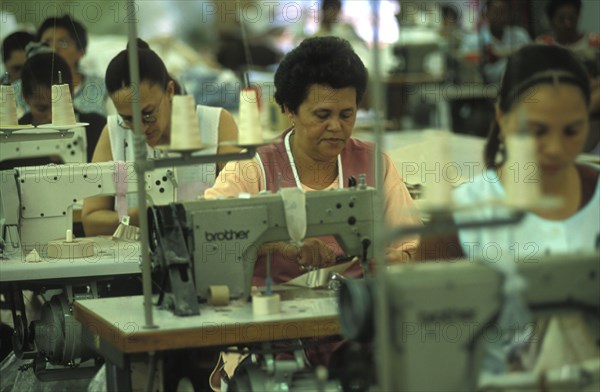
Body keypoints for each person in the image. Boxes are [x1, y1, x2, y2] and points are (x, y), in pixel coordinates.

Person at [415, 44, 598, 373]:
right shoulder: (461, 217)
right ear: (501, 117)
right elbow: (428, 347)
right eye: (536, 131)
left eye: (572, 130)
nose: (556, 149)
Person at [206, 36, 421, 285]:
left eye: (346, 114)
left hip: (357, 309)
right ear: (289, 110)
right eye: (322, 115)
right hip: (276, 315)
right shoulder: (253, 168)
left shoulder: (375, 164)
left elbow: (412, 244)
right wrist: (282, 245)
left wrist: (400, 260)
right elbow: (210, 233)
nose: (336, 127)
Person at [81, 40, 239, 237]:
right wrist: (140, 217)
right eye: (129, 119)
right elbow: (91, 221)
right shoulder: (114, 132)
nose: (140, 130)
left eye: (147, 113)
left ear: (170, 91)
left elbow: (239, 207)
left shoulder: (215, 124)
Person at [14, 15, 108, 116]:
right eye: (46, 43)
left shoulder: (101, 88)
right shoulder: (16, 90)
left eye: (62, 43)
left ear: (81, 51)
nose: (53, 49)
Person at [536, 0, 600, 120]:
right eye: (562, 19)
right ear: (551, 20)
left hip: (590, 95)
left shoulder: (594, 43)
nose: (568, 24)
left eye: (572, 18)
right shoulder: (543, 45)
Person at [461, 0, 531, 84]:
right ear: (486, 13)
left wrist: (502, 52)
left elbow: (532, 56)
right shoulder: (473, 40)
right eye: (496, 12)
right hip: (484, 90)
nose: (501, 17)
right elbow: (465, 64)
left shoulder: (520, 35)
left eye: (504, 12)